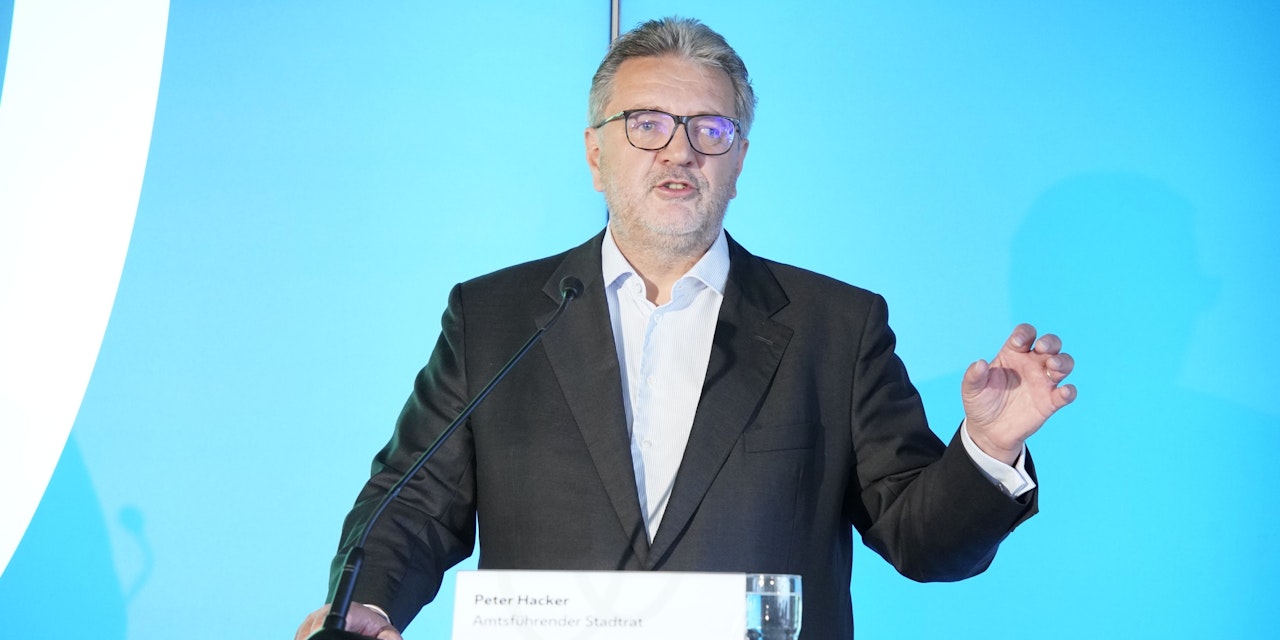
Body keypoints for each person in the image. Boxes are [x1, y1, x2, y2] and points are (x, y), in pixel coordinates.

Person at [295, 16, 1075, 640]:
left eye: (710, 130)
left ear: (739, 162)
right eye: (647, 124)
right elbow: (410, 505)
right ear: (594, 154)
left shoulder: (836, 328)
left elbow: (924, 543)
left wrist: (988, 448)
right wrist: (364, 607)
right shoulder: (493, 318)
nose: (679, 151)